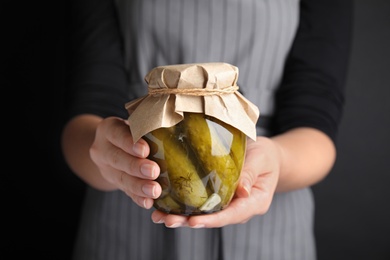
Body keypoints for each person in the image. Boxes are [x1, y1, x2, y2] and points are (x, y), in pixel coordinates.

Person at [61, 0, 353, 259]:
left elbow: (316, 119)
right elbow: (88, 107)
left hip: (270, 224)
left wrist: (277, 158)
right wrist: (106, 152)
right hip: (125, 218)